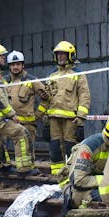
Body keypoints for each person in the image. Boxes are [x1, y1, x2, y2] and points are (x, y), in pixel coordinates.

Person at [0, 42, 39, 190]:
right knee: (21, 133)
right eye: (1, 56)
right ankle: (24, 168)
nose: (4, 58)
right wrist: (11, 114)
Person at [59, 110, 109, 209]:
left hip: (106, 186)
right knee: (106, 198)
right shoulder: (90, 147)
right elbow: (79, 180)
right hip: (77, 189)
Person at [41, 40, 90, 175]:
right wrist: (44, 116)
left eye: (63, 54)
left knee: (71, 147)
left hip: (70, 118)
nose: (60, 57)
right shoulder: (51, 75)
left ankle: (73, 173)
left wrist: (80, 117)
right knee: (55, 147)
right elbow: (47, 96)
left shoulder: (78, 74)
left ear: (71, 55)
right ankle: (57, 175)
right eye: (58, 54)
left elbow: (84, 96)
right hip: (53, 119)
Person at [5, 50, 49, 163]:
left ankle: (27, 170)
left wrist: (38, 115)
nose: (15, 67)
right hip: (9, 123)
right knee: (3, 150)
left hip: (28, 124)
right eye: (13, 65)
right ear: (9, 66)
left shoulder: (31, 80)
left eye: (18, 64)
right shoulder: (4, 81)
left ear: (23, 65)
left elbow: (47, 98)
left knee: (27, 153)